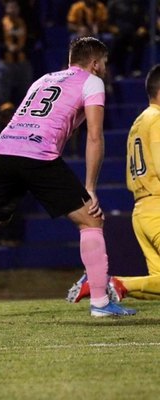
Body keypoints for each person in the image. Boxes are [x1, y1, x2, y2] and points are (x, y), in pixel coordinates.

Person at [0, 36, 137, 322]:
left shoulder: (43, 79)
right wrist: (90, 187)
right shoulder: (93, 81)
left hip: (4, 151)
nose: (104, 69)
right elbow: (94, 136)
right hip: (38, 154)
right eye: (103, 64)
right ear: (94, 63)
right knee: (91, 220)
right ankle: (101, 303)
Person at [68, 65, 160, 302]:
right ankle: (107, 282)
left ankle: (105, 283)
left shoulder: (140, 121)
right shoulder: (158, 119)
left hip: (141, 211)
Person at [0, 0, 33, 106]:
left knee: (26, 94)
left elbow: (32, 38)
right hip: (6, 63)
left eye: (14, 7)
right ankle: (5, 119)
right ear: (6, 9)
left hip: (23, 62)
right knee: (4, 95)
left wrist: (24, 48)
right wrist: (7, 48)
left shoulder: (25, 22)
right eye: (10, 7)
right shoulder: (1, 23)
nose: (12, 10)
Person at [107, 0, 148, 80]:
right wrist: (114, 29)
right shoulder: (114, 4)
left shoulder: (137, 4)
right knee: (119, 41)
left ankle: (135, 69)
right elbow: (110, 21)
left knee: (139, 39)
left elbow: (143, 18)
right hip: (120, 32)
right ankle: (119, 72)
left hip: (134, 32)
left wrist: (143, 27)